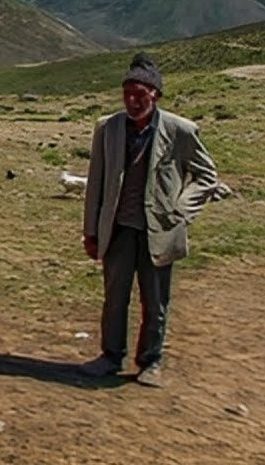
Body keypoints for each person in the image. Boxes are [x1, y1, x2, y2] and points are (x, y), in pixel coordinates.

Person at [79, 53, 220, 387]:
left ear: (155, 94)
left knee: (155, 300)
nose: (132, 100)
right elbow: (96, 181)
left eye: (140, 94)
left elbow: (207, 176)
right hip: (118, 229)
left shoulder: (180, 130)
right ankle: (111, 355)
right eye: (127, 93)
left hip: (160, 230)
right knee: (114, 297)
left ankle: (151, 361)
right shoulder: (108, 128)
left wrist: (181, 211)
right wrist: (90, 230)